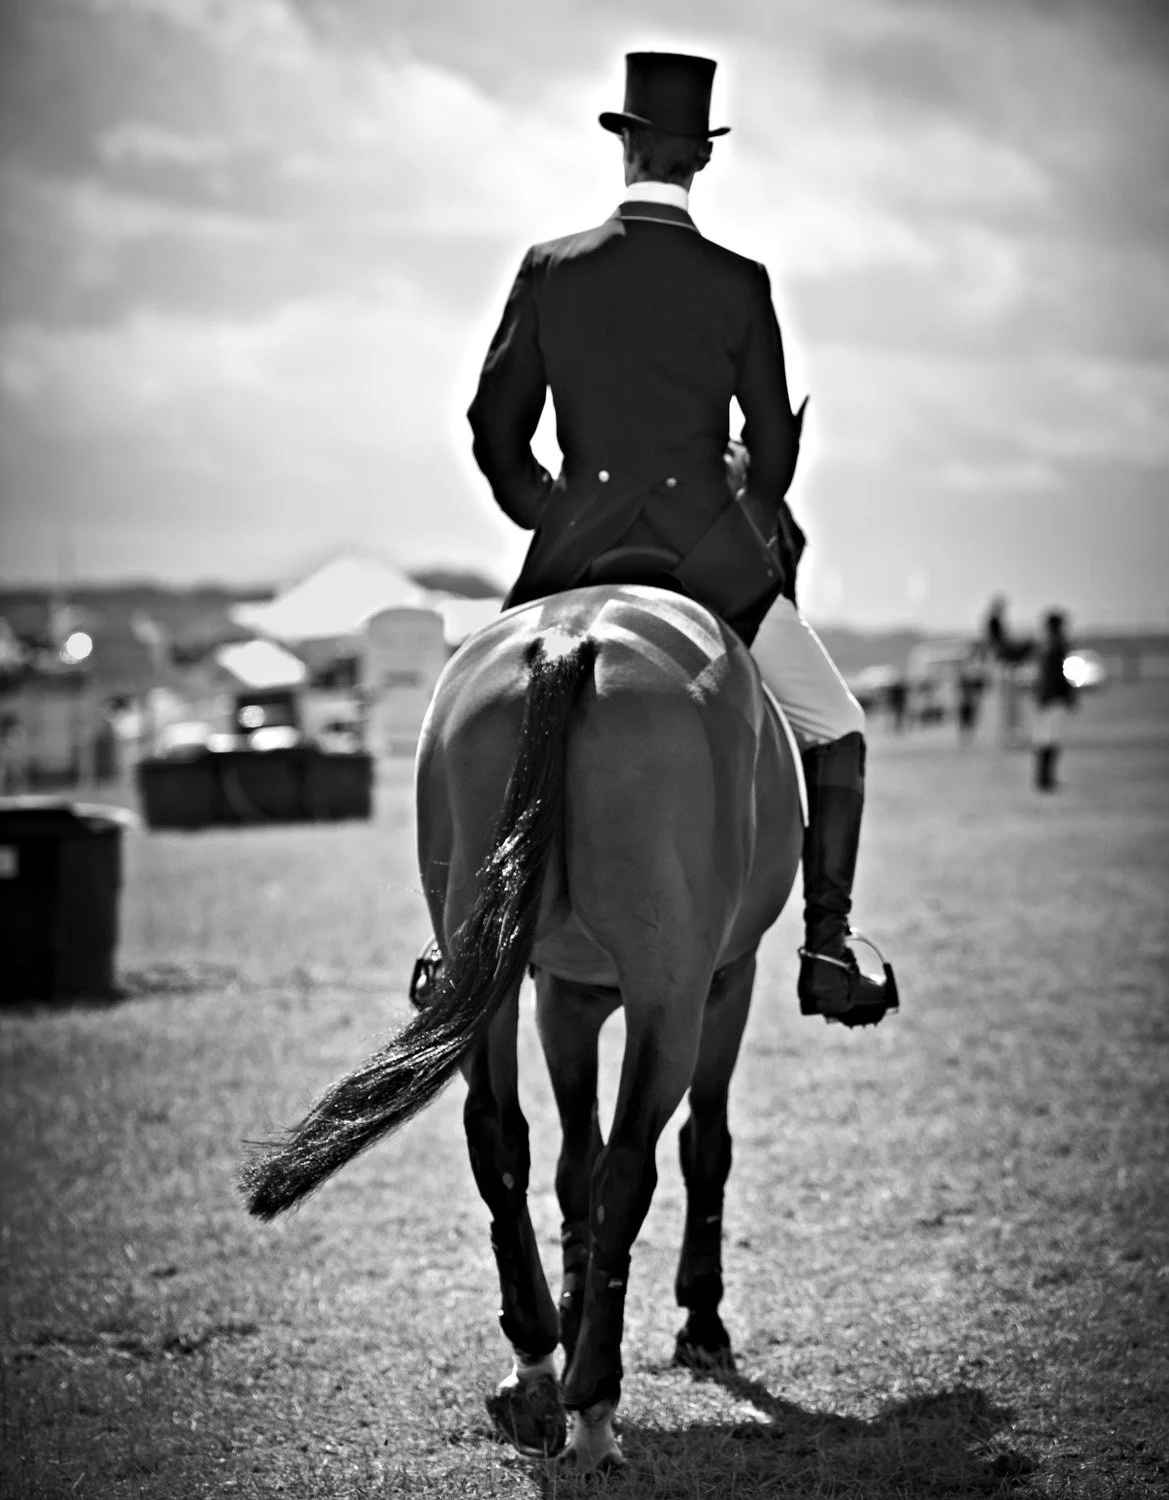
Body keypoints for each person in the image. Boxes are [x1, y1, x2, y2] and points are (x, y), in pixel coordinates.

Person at [446, 51, 895, 1022]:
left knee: (464, 712)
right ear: (697, 159)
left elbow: (492, 426)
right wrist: (738, 509)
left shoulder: (550, 268)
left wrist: (546, 506)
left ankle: (450, 951)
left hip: (569, 546)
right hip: (706, 548)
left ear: (626, 147)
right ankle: (825, 947)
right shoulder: (738, 280)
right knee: (835, 724)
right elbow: (770, 447)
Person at [1032, 610, 1077, 791]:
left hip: (1046, 698)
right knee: (1051, 738)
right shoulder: (1056, 646)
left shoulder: (1046, 645)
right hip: (1054, 698)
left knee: (1046, 737)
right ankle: (1045, 779)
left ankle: (1044, 778)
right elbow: (1058, 676)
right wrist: (1068, 695)